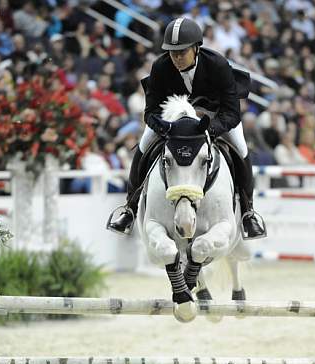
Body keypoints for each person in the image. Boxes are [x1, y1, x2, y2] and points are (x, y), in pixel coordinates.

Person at [107, 16, 266, 239]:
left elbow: (231, 112)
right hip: (173, 120)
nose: (177, 57)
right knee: (143, 146)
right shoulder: (161, 66)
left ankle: (248, 213)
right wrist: (165, 128)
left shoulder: (217, 64)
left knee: (241, 148)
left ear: (196, 48)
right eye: (173, 52)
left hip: (214, 117)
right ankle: (130, 209)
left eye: (182, 51)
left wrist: (209, 130)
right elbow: (150, 112)